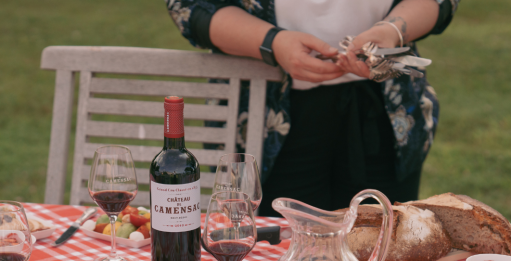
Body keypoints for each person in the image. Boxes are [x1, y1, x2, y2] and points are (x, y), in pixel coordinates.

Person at [165, 0, 460, 216]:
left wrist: (393, 30)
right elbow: (190, 6)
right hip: (263, 118)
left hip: (387, 113)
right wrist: (272, 42)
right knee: (273, 257)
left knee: (384, 256)